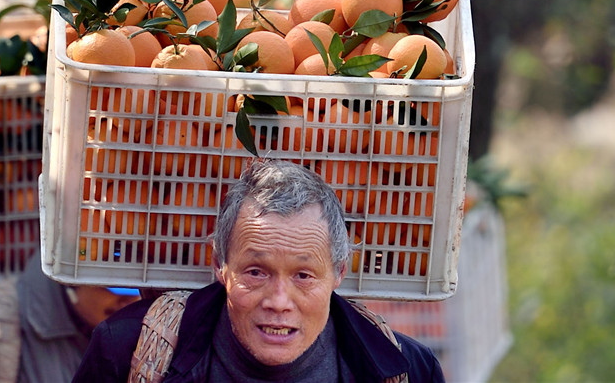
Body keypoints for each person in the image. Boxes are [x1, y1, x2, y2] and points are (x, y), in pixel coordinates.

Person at [73, 159, 445, 382]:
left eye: (303, 276)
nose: (279, 302)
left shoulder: (408, 370)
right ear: (220, 264)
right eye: (256, 272)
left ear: (339, 272)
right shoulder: (125, 353)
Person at [0, 250, 140, 383]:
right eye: (118, 283)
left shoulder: (165, 344)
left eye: (149, 286)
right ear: (72, 270)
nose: (136, 299)